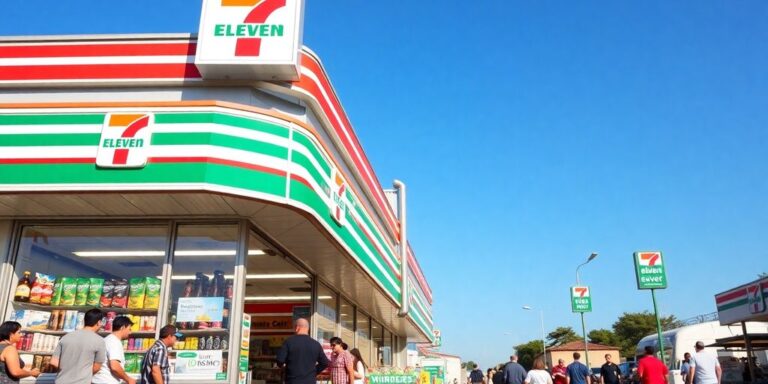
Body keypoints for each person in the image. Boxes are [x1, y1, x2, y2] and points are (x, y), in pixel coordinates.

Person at [50, 308, 107, 384]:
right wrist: (82, 374)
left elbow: (53, 362)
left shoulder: (66, 337)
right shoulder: (99, 341)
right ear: (99, 322)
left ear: (84, 321)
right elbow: (97, 367)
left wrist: (67, 370)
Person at [276, 318, 329, 384]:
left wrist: (285, 368)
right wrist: (314, 372)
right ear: (308, 328)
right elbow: (325, 362)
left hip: (292, 380)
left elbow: (279, 360)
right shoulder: (316, 344)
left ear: (297, 328)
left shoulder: (288, 342)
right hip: (310, 381)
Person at [93, 316, 136, 384]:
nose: (130, 332)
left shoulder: (107, 339)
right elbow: (115, 366)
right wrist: (128, 379)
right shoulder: (114, 342)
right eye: (129, 329)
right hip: (107, 381)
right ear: (123, 327)